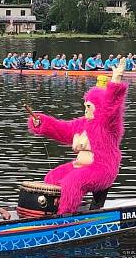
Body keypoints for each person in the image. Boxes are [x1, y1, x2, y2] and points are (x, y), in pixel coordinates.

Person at [28, 62, 128, 214]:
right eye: (85, 105)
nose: (85, 109)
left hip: (103, 168)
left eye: (89, 106)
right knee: (52, 177)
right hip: (81, 165)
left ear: (98, 107)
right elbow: (61, 129)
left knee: (72, 182)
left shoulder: (108, 124)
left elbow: (112, 106)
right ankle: (53, 207)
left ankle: (65, 214)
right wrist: (41, 122)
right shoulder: (81, 123)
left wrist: (116, 79)